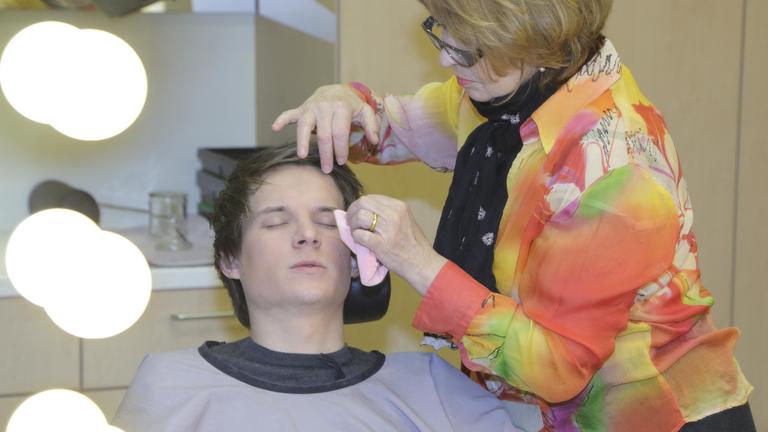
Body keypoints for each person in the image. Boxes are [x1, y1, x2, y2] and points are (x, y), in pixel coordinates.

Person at [271, 1, 755, 431]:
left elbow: (557, 368)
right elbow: (390, 126)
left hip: (656, 417)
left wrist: (419, 262)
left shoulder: (614, 170)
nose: (445, 58)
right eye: (442, 29)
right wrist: (344, 102)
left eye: (468, 46)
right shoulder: (508, 96)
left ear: (535, 40)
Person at [112, 143, 535, 432]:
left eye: (327, 221)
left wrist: (425, 266)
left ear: (357, 258)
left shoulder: (434, 388)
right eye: (276, 221)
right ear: (231, 260)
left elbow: (557, 371)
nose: (306, 236)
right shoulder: (171, 385)